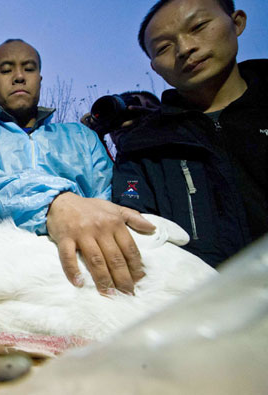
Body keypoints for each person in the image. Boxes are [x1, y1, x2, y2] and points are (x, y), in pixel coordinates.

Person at [0, 39, 155, 297]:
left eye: (28, 69)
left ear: (40, 79)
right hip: (2, 271)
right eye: (5, 70)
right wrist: (55, 203)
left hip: (87, 266)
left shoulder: (81, 136)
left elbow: (107, 197)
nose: (18, 77)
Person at [112, 0, 267, 267]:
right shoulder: (140, 149)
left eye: (198, 26)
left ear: (237, 22)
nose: (185, 48)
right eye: (164, 48)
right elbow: (138, 232)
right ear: (155, 66)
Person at [80, 91, 160, 160]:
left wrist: (167, 119)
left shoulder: (170, 151)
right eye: (118, 116)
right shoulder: (121, 169)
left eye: (134, 114)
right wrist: (93, 141)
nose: (124, 122)